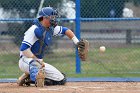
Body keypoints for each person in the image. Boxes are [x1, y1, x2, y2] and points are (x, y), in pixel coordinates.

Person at [17, 7, 80, 87]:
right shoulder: (33, 30)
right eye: (52, 17)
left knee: (61, 79)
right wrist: (35, 59)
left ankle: (28, 78)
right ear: (44, 18)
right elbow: (24, 49)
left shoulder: (50, 29)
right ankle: (35, 79)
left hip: (39, 62)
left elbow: (65, 30)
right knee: (35, 64)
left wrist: (77, 42)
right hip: (25, 60)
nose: (54, 19)